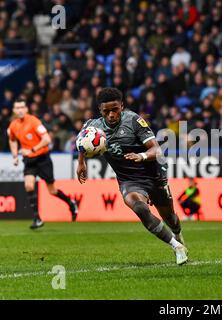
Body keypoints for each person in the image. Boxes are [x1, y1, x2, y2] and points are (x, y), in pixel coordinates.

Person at [76, 87, 188, 265]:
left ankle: (177, 234)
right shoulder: (92, 126)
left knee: (170, 217)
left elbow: (156, 149)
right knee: (140, 208)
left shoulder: (134, 120)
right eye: (107, 111)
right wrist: (81, 162)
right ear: (100, 110)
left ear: (122, 106)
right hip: (129, 179)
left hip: (154, 174)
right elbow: (82, 143)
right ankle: (176, 246)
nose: (111, 114)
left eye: (115, 109)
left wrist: (141, 156)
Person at [7, 99, 78, 229]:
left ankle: (71, 203)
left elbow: (47, 139)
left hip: (42, 158)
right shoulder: (13, 125)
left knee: (52, 190)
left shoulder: (34, 121)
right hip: (29, 160)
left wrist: (32, 149)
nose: (20, 110)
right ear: (14, 110)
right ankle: (37, 218)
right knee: (29, 185)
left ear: (26, 109)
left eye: (22, 107)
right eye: (17, 108)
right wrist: (15, 155)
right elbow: (12, 140)